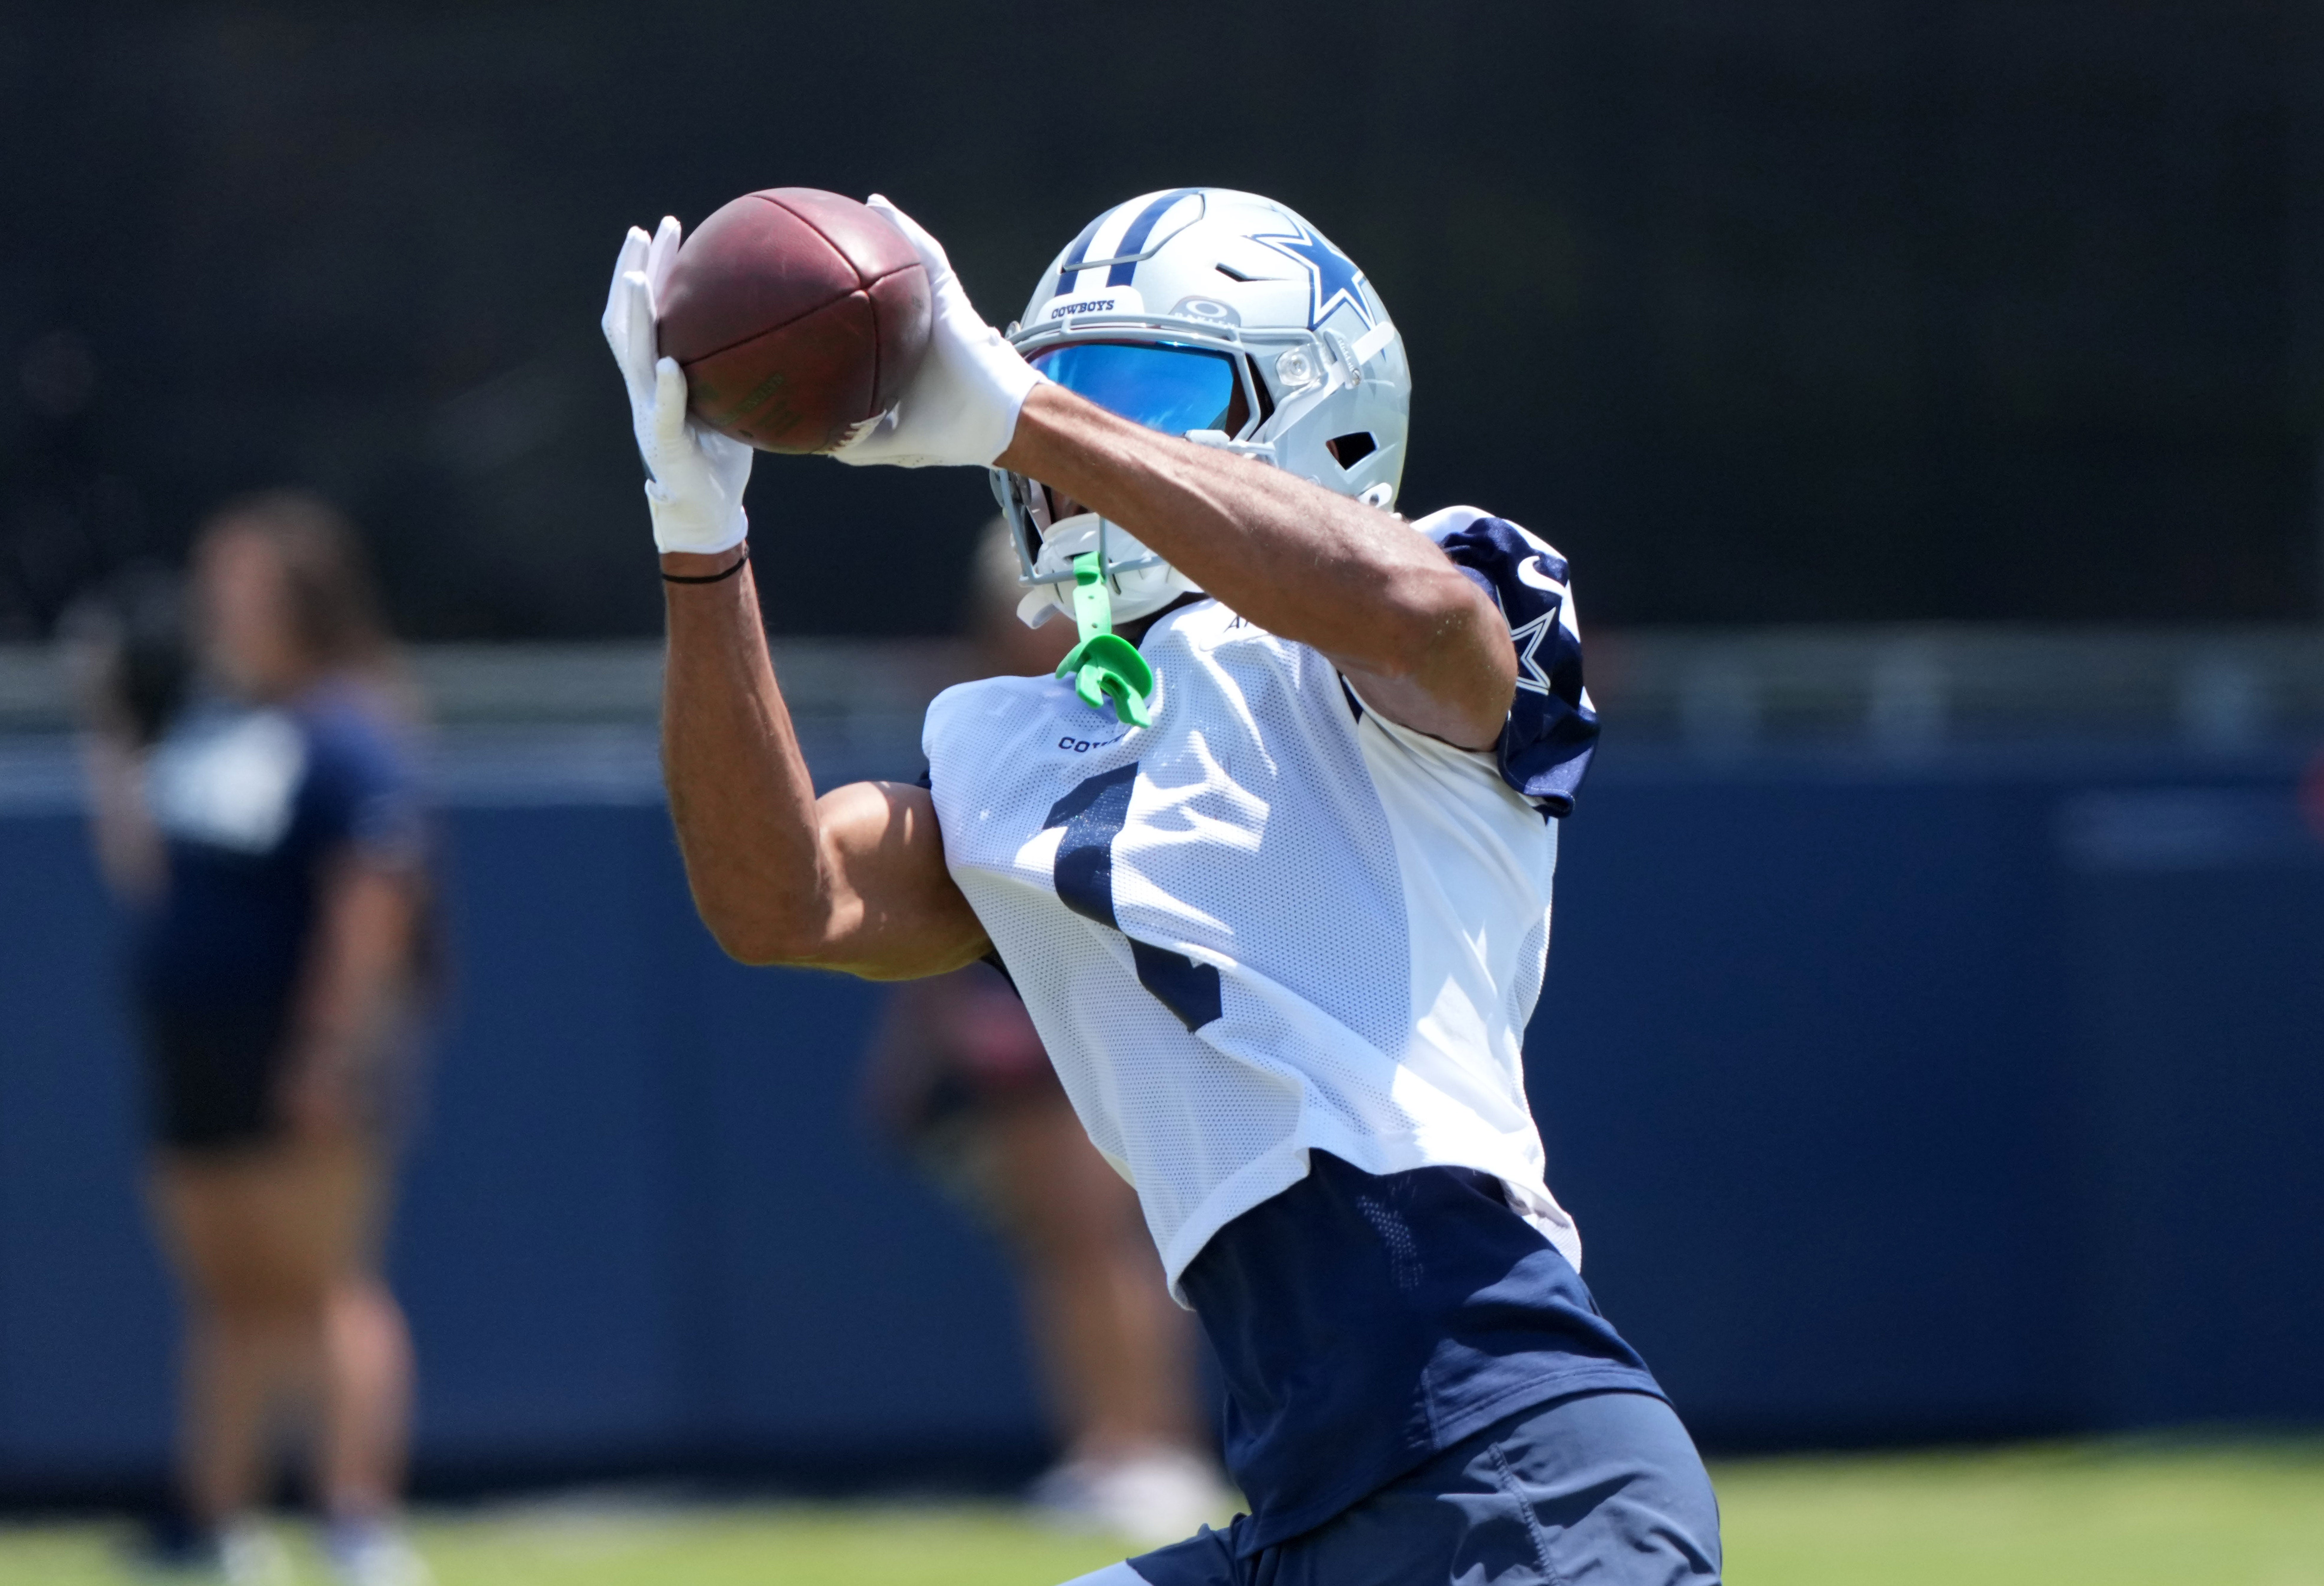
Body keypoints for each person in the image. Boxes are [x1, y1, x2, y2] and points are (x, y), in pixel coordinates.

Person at [603, 188, 1724, 1584]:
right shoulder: (1020, 735)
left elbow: (1420, 618)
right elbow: (783, 899)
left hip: (1508, 1448)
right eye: (1056, 377)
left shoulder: (1421, 615)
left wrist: (1021, 406)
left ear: (1324, 407)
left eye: (1138, 385)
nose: (1061, 430)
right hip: (1316, 1487)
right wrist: (699, 536)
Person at [77, 493, 433, 1586]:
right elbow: (150, 871)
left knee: (323, 1283)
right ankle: (218, 1525)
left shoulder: (346, 726)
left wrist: (327, 1051)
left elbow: (374, 896)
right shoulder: (216, 726)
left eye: (238, 583)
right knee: (230, 1293)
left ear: (300, 598)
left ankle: (356, 1524)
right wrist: (107, 728)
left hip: (296, 1044)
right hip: (194, 1045)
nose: (214, 605)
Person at [862, 524, 1225, 1544]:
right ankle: (1109, 1446)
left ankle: (1151, 1447)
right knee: (1069, 1251)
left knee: (1111, 1247)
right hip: (1011, 1034)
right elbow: (927, 900)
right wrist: (914, 1047)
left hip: (1104, 1018)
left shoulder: (1150, 710)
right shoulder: (971, 727)